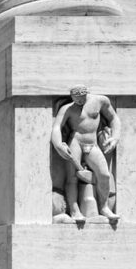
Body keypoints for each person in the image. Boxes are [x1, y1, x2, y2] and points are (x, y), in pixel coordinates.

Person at [50, 85, 120, 222]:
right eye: (76, 100)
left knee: (104, 174)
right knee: (72, 178)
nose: (79, 102)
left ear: (86, 94)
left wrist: (115, 137)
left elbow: (114, 118)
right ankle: (75, 210)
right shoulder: (67, 109)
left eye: (81, 99)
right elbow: (57, 127)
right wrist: (58, 145)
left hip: (92, 143)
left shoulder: (100, 101)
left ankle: (104, 207)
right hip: (76, 142)